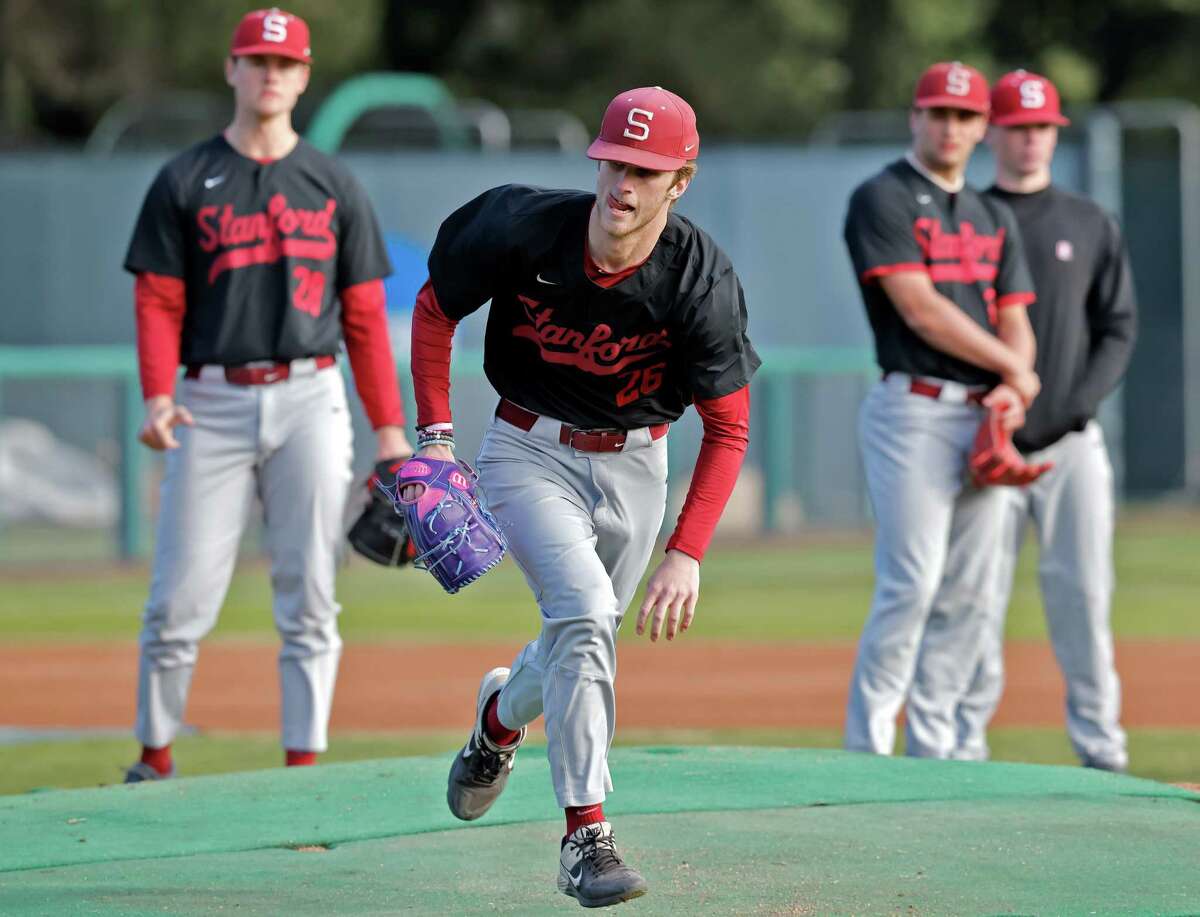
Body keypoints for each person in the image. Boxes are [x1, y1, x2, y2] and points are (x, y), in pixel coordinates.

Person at [404, 86, 759, 908]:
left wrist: (687, 553)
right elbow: (433, 312)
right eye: (613, 163)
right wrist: (435, 439)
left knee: (577, 633)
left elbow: (729, 427)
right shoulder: (520, 227)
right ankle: (584, 838)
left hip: (640, 464)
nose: (622, 184)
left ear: (681, 181)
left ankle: (498, 719)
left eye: (646, 170)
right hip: (527, 448)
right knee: (588, 616)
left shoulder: (699, 281)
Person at [121, 8, 410, 782]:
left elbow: (363, 317)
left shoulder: (333, 182)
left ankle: (304, 768)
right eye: (256, 60)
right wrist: (157, 395)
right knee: (178, 601)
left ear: (305, 75)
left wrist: (390, 431)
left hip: (309, 398)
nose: (270, 74)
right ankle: (154, 757)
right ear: (232, 70)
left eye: (284, 63)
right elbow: (157, 299)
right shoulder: (185, 179)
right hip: (207, 401)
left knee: (311, 595)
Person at [841, 61, 1043, 758]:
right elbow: (919, 309)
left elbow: (1015, 312)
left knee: (973, 591)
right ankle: (869, 749)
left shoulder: (993, 215)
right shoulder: (883, 197)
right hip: (915, 410)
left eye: (965, 117)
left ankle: (940, 745)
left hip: (984, 410)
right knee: (914, 581)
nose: (951, 127)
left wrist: (1014, 385)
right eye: (940, 113)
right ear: (915, 118)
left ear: (984, 127)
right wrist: (1016, 368)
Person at [950, 70, 1138, 771]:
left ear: (1055, 133)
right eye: (1017, 126)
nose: (1029, 139)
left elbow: (1117, 327)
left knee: (1084, 595)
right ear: (992, 131)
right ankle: (963, 747)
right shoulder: (964, 215)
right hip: (983, 442)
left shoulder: (1088, 221)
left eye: (1042, 127)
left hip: (1070, 445)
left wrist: (1075, 403)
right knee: (972, 599)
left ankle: (1101, 746)